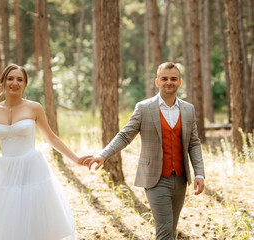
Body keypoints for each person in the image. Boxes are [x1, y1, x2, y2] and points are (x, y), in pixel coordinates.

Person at [0, 64, 91, 240]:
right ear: (3, 82)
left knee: (33, 218)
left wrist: (76, 158)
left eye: (20, 79)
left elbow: (51, 137)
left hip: (32, 168)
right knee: (8, 220)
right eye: (10, 78)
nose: (14, 83)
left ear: (25, 84)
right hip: (7, 170)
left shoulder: (34, 108)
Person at [85, 62, 205, 239]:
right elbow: (125, 135)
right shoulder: (144, 108)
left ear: (180, 82)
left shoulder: (188, 109)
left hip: (180, 179)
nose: (169, 82)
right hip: (155, 179)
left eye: (173, 79)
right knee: (164, 228)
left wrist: (199, 174)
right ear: (157, 82)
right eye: (164, 79)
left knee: (171, 228)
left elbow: (193, 143)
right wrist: (103, 155)